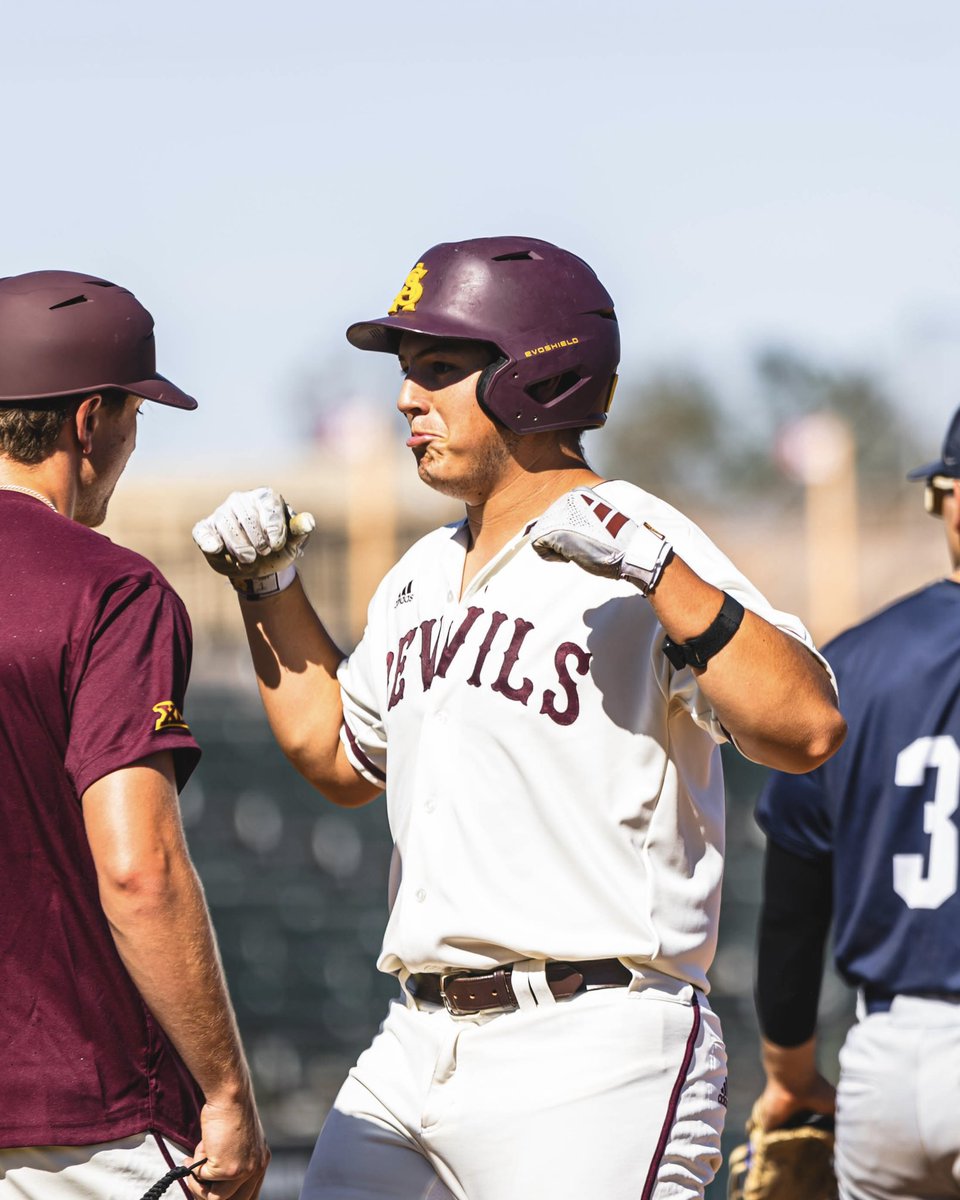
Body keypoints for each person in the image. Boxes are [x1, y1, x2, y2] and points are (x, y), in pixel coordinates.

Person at [193, 236, 845, 1200]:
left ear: (536, 377)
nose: (408, 398)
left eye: (440, 369)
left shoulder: (639, 535)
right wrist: (268, 587)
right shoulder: (419, 571)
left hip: (592, 1041)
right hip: (415, 1039)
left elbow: (807, 727)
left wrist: (664, 576)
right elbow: (335, 756)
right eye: (406, 373)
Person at [0, 271, 269, 1200]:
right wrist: (227, 1092)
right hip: (77, 1126)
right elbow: (138, 871)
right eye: (134, 414)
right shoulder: (108, 589)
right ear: (89, 420)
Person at [752, 406, 960, 1199]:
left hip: (887, 1072)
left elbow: (793, 911)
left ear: (943, 495)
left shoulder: (849, 666)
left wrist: (790, 1076)